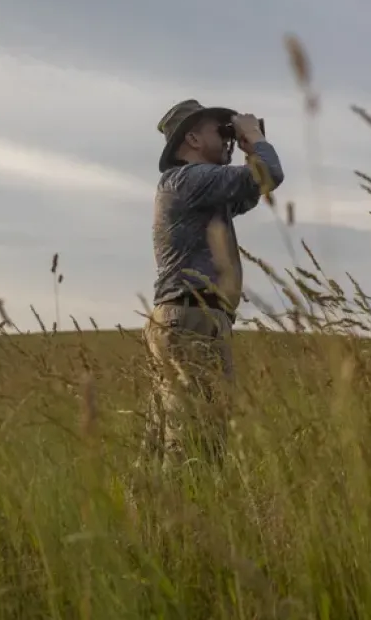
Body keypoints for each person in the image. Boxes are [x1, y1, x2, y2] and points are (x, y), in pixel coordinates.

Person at [144, 98, 285, 469]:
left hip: (190, 316)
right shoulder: (188, 179)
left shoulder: (198, 189)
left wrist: (249, 145)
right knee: (195, 441)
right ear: (191, 138)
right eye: (218, 130)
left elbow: (252, 189)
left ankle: (159, 518)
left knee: (180, 436)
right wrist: (252, 137)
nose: (227, 138)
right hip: (193, 317)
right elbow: (269, 173)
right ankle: (183, 520)